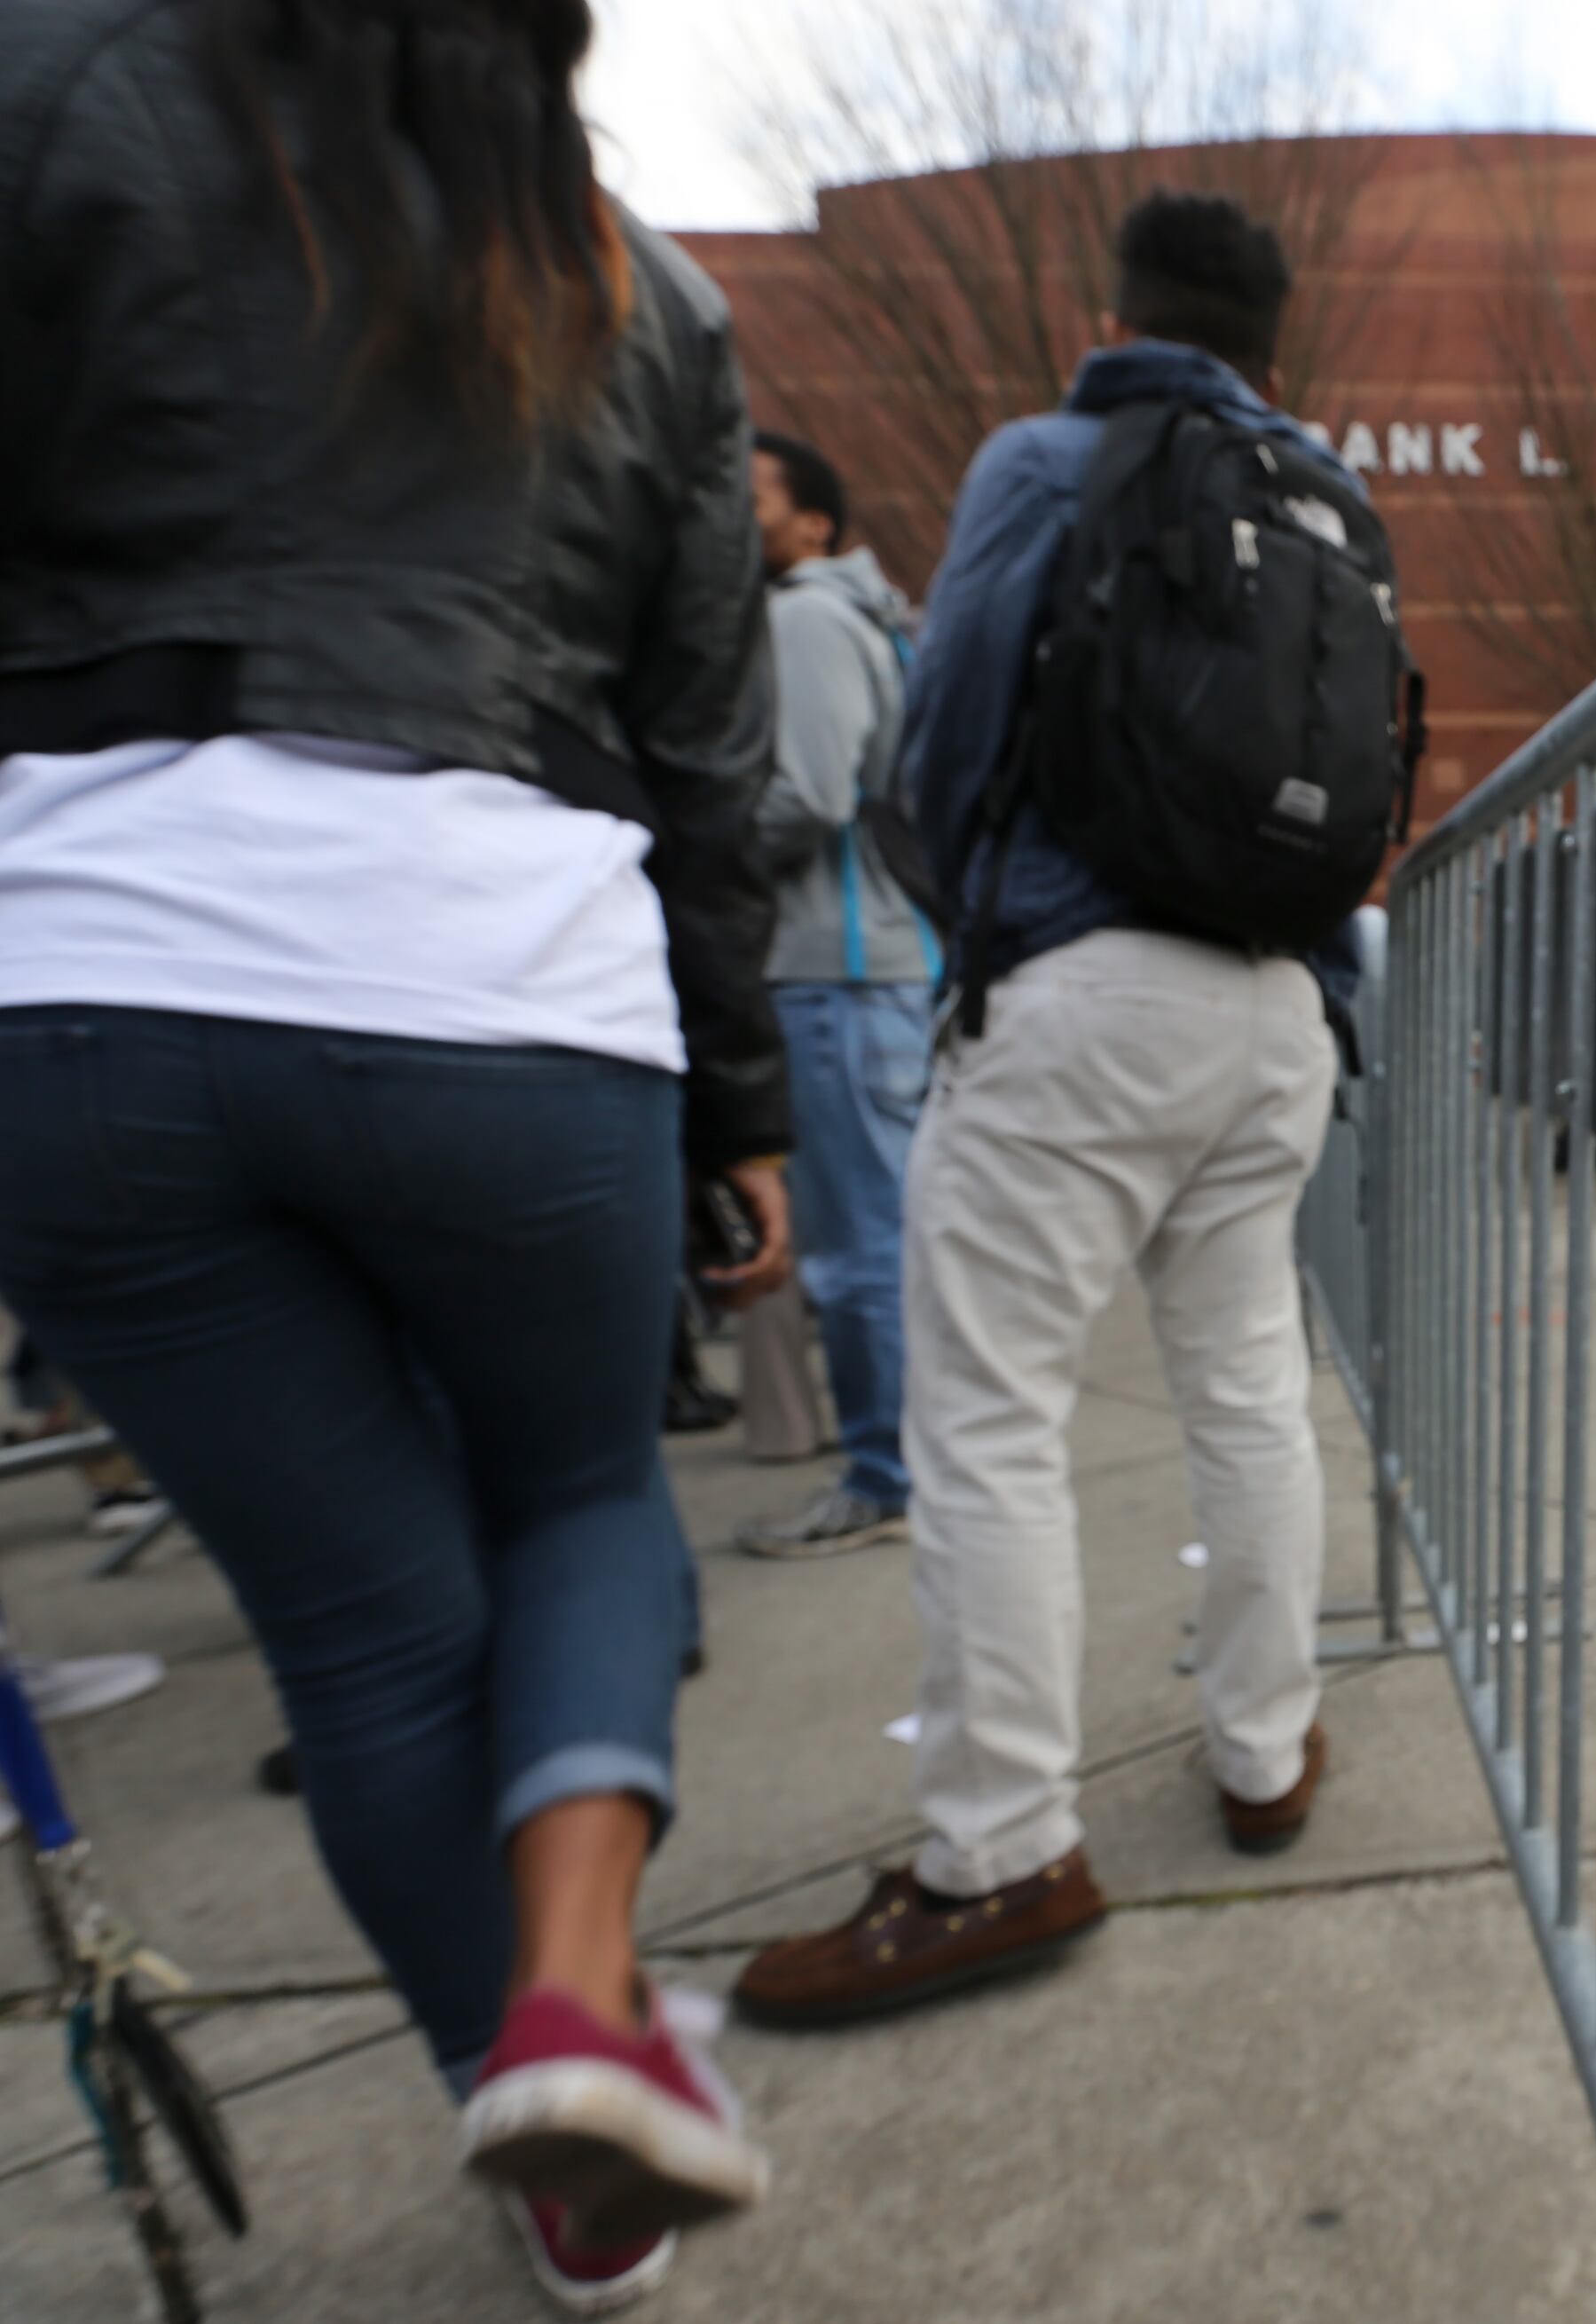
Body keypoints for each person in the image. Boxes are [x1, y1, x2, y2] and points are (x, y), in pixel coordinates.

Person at [0, 2, 786, 2307]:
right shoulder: (638, 287)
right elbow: (704, 756)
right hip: (502, 979)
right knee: (579, 1498)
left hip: (82, 983)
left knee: (358, 1639)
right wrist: (745, 1107)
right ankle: (578, 2003)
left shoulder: (55, 95)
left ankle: (564, 2146)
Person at [736, 191, 1351, 2026]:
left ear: (1121, 306)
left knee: (987, 1413)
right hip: (1277, 1005)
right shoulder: (1326, 488)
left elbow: (943, 737)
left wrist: (991, 934)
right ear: (1272, 329)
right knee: (1250, 1385)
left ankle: (999, 1848)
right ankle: (1266, 1749)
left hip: (1086, 992)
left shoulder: (1050, 455)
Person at [732, 430, 931, 1559]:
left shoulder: (806, 617)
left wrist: (686, 860)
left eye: (749, 491)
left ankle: (887, 1477)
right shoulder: (854, 617)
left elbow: (807, 794)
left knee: (860, 1251)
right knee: (879, 1241)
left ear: (815, 522)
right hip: (861, 972)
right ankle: (900, 1467)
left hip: (840, 973)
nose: (726, 506)